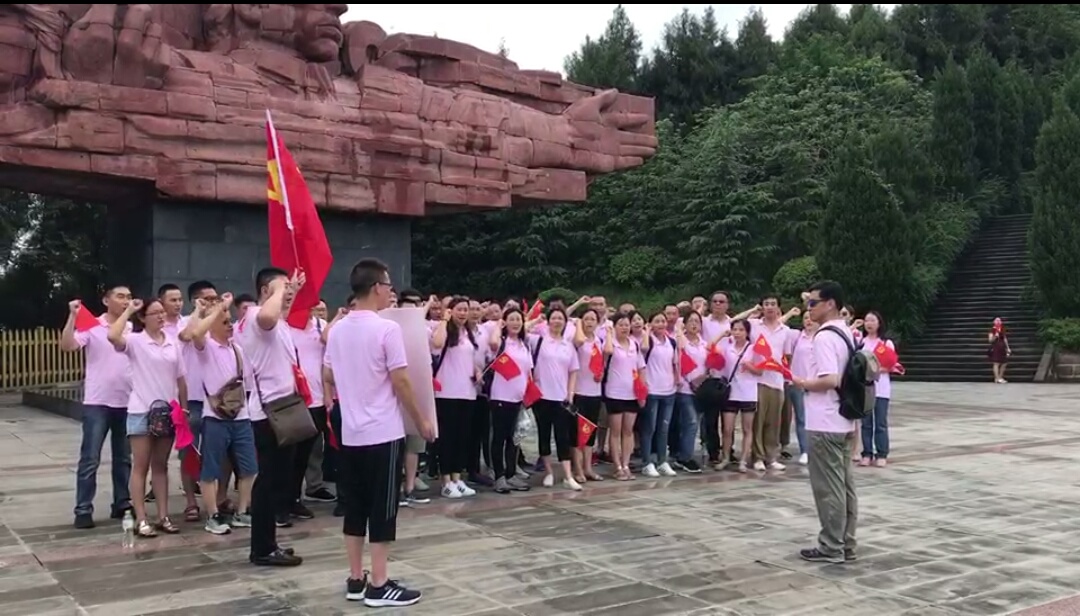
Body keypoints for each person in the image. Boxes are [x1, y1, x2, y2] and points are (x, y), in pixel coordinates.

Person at [324, 258, 434, 607]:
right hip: (383, 433)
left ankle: (357, 578)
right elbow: (401, 380)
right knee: (383, 509)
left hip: (352, 433)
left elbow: (327, 375)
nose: (391, 292)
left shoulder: (337, 330)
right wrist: (422, 420)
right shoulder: (387, 329)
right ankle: (380, 584)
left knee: (355, 507)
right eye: (388, 286)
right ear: (376, 288)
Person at [238, 267, 306, 567]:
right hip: (270, 413)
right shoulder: (256, 315)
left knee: (276, 479)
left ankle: (268, 543)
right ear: (265, 291)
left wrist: (292, 291)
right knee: (268, 482)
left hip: (280, 408)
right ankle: (262, 549)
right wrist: (280, 291)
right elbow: (268, 317)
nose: (287, 293)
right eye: (281, 288)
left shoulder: (271, 319)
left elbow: (277, 317)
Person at [791, 280, 858, 564]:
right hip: (843, 418)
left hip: (825, 420)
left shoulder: (824, 337)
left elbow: (830, 379)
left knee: (828, 487)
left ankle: (831, 545)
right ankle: (846, 542)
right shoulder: (845, 332)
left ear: (830, 304)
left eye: (813, 302)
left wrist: (803, 383)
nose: (809, 308)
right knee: (844, 485)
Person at [61, 285, 133, 529]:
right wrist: (72, 316)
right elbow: (68, 345)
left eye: (129, 297)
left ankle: (121, 503)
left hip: (127, 401)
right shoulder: (92, 326)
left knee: (123, 458)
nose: (125, 301)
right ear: (106, 300)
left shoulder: (132, 327)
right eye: (120, 296)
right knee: (90, 458)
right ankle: (83, 509)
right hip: (97, 403)